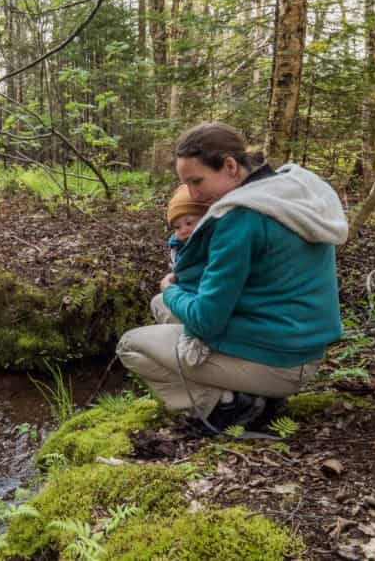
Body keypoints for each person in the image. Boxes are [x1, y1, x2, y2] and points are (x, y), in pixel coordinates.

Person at [117, 122, 347, 433]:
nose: (194, 195)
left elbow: (206, 320)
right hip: (299, 347)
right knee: (162, 305)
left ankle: (226, 411)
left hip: (278, 361)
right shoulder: (288, 195)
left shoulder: (240, 219)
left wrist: (170, 288)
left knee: (131, 344)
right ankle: (250, 397)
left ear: (230, 166)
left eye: (197, 182)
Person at [150, 184, 208, 326]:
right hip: (187, 295)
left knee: (159, 302)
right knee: (158, 300)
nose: (183, 230)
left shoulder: (209, 243)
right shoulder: (179, 245)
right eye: (177, 227)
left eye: (189, 223)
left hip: (200, 303)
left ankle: (187, 335)